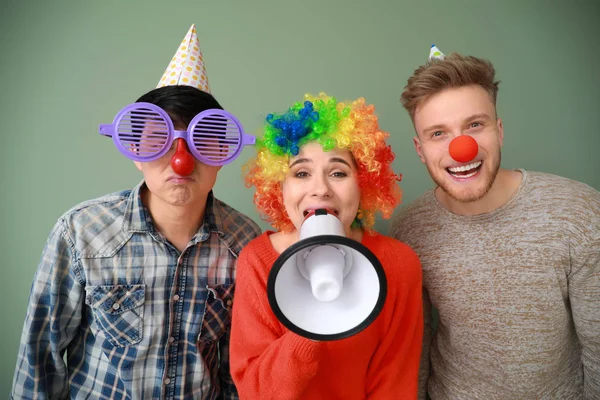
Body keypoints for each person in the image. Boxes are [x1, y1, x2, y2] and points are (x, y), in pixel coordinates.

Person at [11, 25, 261, 399]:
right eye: (160, 138)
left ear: (222, 155)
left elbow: (235, 367)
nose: (181, 161)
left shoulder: (246, 243)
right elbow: (39, 357)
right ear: (134, 152)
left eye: (200, 139)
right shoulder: (81, 231)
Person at [390, 45, 600, 399]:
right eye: (438, 133)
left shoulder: (578, 213)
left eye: (475, 125)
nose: (462, 148)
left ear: (499, 131)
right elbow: (416, 349)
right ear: (419, 149)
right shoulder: (410, 230)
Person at [229, 93, 424, 399]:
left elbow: (395, 386)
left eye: (338, 173)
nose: (320, 189)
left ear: (364, 183)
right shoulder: (256, 260)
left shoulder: (398, 263)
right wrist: (309, 319)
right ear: (279, 187)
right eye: (301, 173)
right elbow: (256, 392)